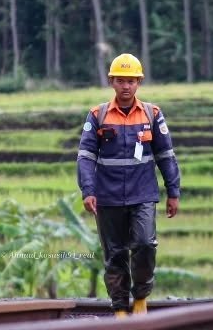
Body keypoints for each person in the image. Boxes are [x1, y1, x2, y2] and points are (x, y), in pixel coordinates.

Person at [77, 53, 181, 318]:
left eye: (131, 81)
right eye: (121, 81)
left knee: (145, 243)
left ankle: (141, 297)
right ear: (112, 81)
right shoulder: (97, 115)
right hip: (107, 197)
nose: (126, 86)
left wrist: (173, 191)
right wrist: (88, 190)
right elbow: (86, 156)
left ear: (139, 83)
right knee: (115, 254)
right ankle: (120, 308)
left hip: (143, 194)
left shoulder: (152, 114)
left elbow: (165, 155)